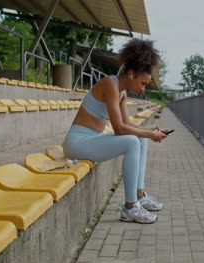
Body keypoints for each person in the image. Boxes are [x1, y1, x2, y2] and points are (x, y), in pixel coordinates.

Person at [62, 39, 167, 224]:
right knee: (133, 141)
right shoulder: (110, 84)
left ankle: (139, 195)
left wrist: (150, 131)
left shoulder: (122, 92)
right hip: (77, 143)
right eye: (143, 83)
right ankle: (130, 208)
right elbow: (119, 129)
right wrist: (150, 134)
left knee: (139, 139)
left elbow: (128, 124)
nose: (143, 89)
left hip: (91, 141)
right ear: (132, 74)